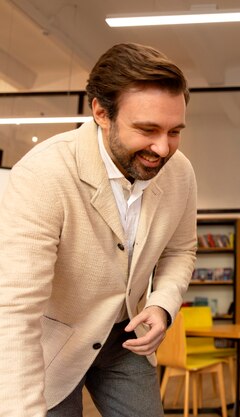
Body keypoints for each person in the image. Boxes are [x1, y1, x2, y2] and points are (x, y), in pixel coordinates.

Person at [0, 43, 198, 416]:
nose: (163, 147)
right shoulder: (43, 175)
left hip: (126, 339)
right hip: (51, 345)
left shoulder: (180, 172)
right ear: (100, 112)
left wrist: (162, 305)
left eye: (175, 131)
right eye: (147, 129)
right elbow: (14, 310)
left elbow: (180, 250)